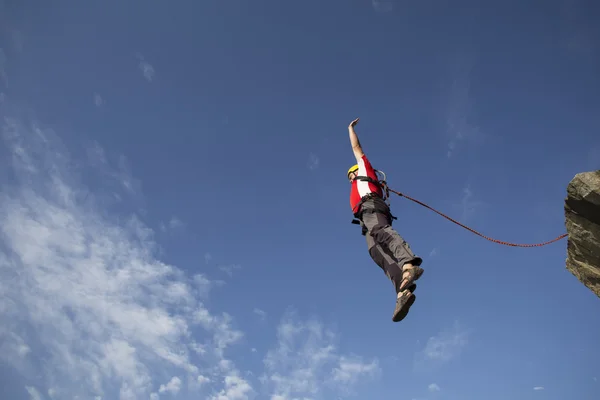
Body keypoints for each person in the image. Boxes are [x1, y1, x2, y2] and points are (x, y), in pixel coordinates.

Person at [347, 117, 424, 322]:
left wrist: (350, 130)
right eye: (349, 176)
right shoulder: (355, 185)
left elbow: (356, 148)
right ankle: (402, 291)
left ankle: (408, 263)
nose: (350, 178)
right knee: (376, 252)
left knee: (381, 231)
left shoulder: (364, 169)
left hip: (371, 205)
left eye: (351, 174)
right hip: (364, 219)